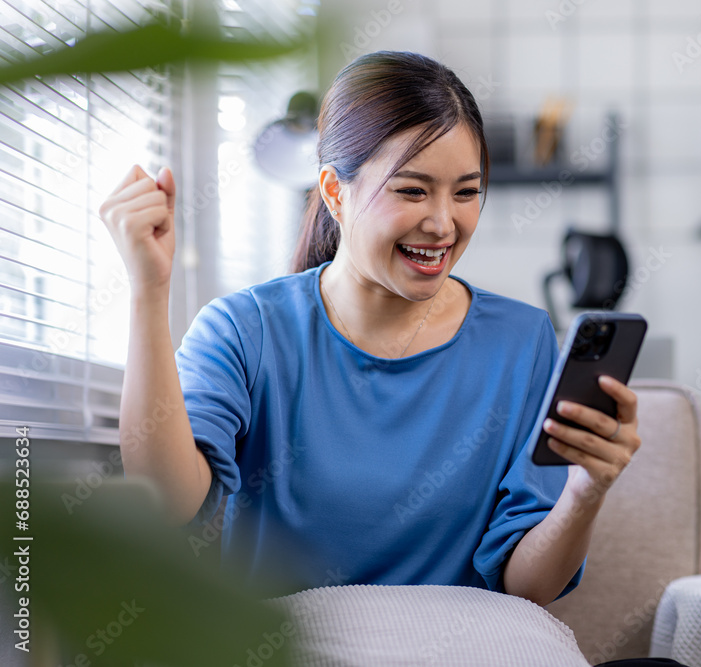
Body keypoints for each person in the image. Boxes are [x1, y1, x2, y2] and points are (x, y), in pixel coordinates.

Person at [98, 51, 641, 611]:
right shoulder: (245, 330)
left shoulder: (522, 342)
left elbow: (528, 587)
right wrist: (149, 291)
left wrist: (585, 489)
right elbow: (168, 501)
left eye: (465, 192)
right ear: (334, 192)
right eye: (411, 190)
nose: (442, 223)